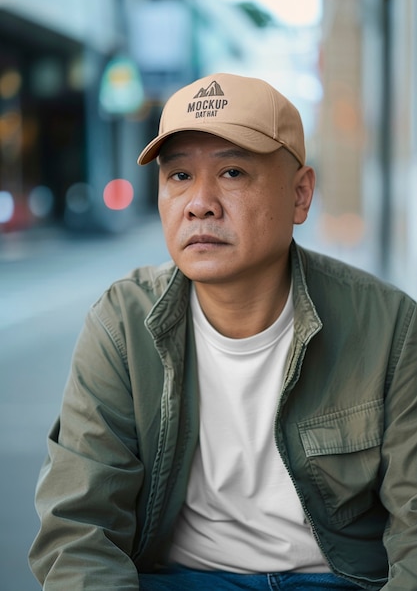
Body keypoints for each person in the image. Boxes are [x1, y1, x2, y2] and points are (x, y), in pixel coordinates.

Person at [29, 73, 417, 591]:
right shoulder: (123, 322)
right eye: (179, 176)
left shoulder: (389, 326)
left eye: (232, 172)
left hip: (337, 580)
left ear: (301, 195)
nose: (199, 203)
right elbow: (79, 529)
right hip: (182, 580)